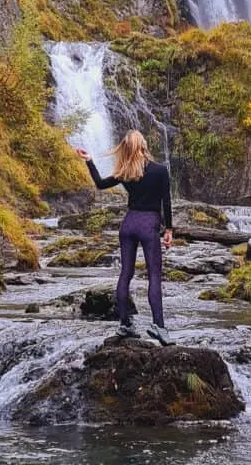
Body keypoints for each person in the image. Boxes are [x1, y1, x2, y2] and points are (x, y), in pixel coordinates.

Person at [76, 130, 174, 344]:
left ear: (127, 148)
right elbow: (166, 202)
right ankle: (159, 326)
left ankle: (125, 324)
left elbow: (100, 184)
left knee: (125, 274)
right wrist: (169, 230)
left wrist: (90, 161)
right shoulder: (160, 171)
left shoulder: (126, 172)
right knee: (154, 275)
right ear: (144, 145)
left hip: (128, 224)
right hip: (149, 225)